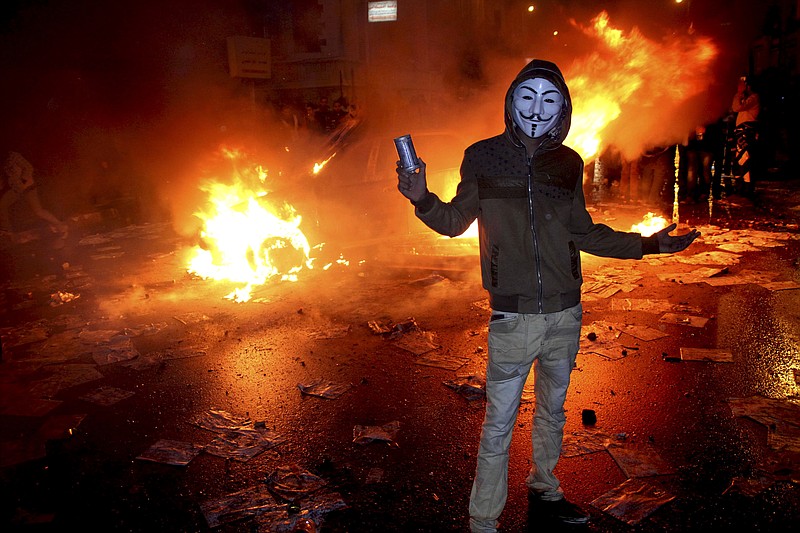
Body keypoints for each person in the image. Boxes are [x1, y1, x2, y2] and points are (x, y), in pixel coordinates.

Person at [396, 58, 700, 532]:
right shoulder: (482, 156)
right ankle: (483, 523)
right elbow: (455, 222)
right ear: (511, 101)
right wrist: (421, 198)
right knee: (498, 424)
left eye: (549, 99)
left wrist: (649, 244)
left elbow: (584, 232)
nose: (536, 109)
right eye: (527, 96)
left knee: (552, 411)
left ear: (562, 109)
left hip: (565, 313)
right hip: (513, 320)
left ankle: (545, 488)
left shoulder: (568, 163)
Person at [1, 151, 68, 240]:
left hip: (28, 187)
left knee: (38, 211)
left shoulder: (13, 156)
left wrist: (23, 181)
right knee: (3, 204)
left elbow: (28, 168)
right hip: (15, 189)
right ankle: (7, 230)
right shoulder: (3, 162)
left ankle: (59, 225)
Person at [731, 76, 760, 199]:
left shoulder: (754, 98)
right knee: (739, 159)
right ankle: (740, 186)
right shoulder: (746, 98)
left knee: (745, 159)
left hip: (747, 132)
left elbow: (736, 107)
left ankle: (747, 189)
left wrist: (738, 93)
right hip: (741, 132)